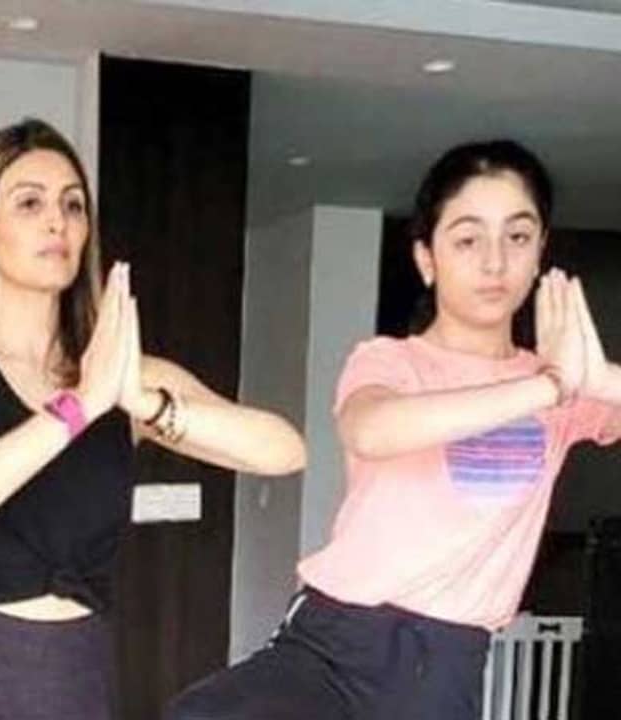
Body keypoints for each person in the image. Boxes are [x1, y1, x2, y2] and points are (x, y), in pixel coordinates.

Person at [165, 140, 621, 720]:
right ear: (427, 259)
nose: (495, 261)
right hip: (334, 642)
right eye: (467, 239)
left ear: (539, 253)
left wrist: (594, 377)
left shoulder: (571, 385)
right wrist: (550, 387)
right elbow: (372, 431)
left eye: (517, 236)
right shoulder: (391, 362)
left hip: (445, 664)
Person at [0, 118, 307, 720]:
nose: (57, 221)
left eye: (72, 205)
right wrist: (80, 404)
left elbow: (284, 451)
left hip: (73, 676)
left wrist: (142, 401)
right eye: (29, 203)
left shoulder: (123, 378)